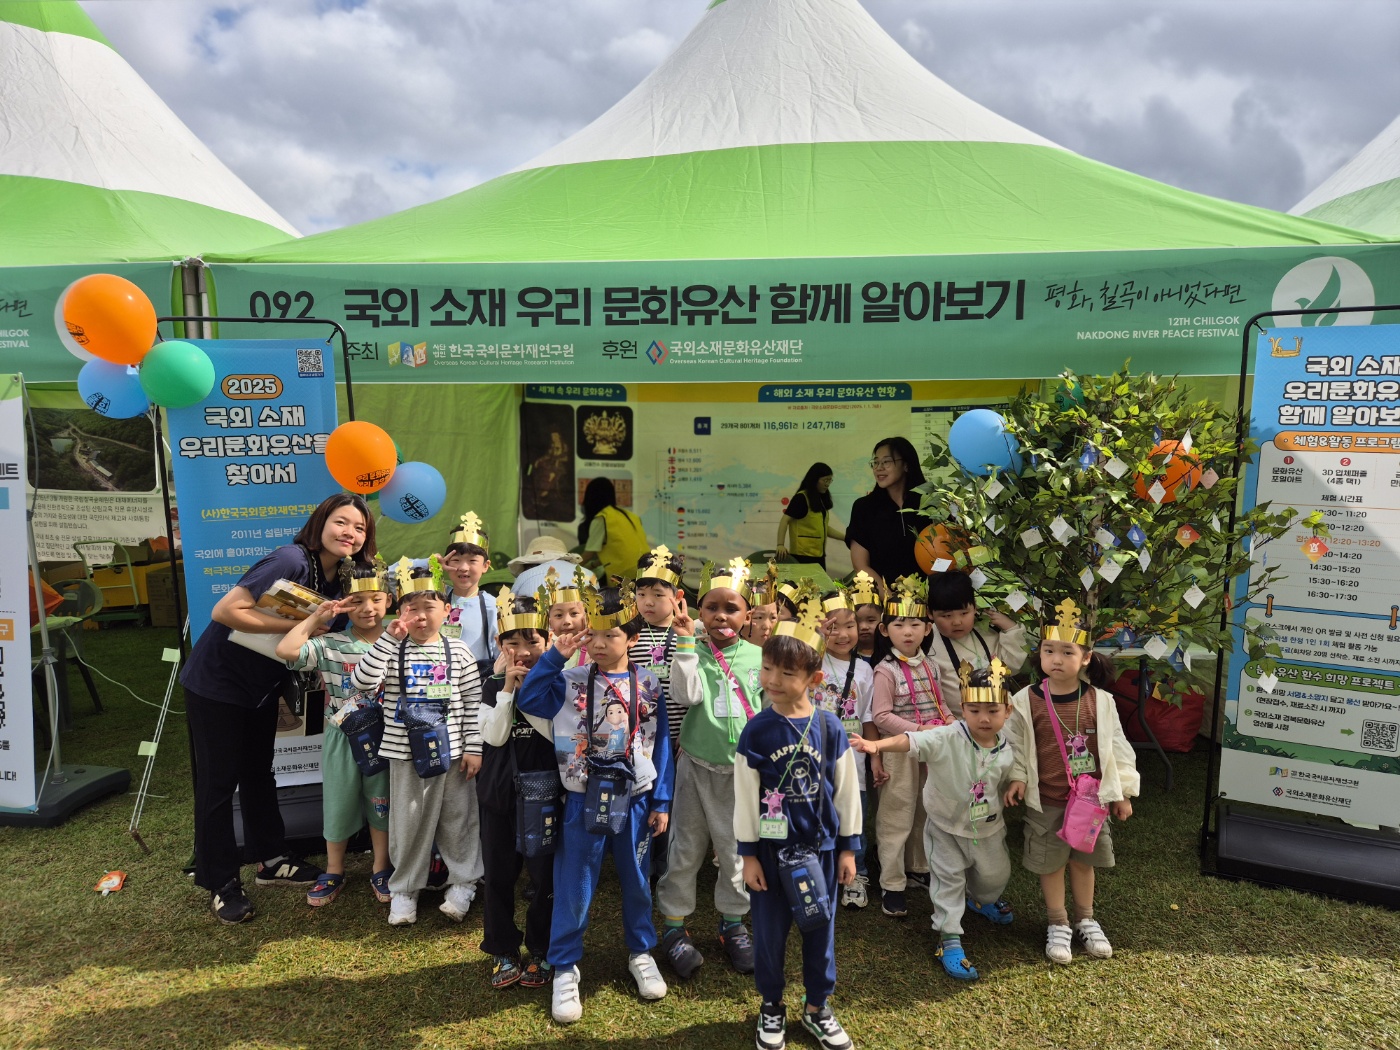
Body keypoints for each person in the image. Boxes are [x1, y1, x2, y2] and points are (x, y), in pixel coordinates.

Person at [180, 493, 376, 924]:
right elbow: (226, 610)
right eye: (342, 522)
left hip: (262, 686)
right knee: (218, 783)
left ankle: (271, 859)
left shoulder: (339, 577)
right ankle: (221, 881)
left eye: (359, 528)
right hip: (218, 683)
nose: (350, 533)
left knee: (257, 772)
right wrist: (299, 624)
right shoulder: (291, 559)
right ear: (321, 521)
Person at [516, 584, 672, 1024]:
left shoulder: (650, 684)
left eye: (612, 635)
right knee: (575, 883)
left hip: (637, 800)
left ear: (633, 638)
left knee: (639, 880)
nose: (601, 644)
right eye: (594, 636)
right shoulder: (567, 681)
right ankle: (565, 965)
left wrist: (661, 800)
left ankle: (641, 952)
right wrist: (555, 657)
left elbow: (659, 746)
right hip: (583, 798)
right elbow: (528, 699)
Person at [735, 585, 860, 1050]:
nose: (772, 679)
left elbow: (846, 790)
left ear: (813, 676)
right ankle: (771, 1006)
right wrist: (748, 855)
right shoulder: (757, 730)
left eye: (787, 672)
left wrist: (848, 847)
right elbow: (745, 796)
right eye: (768, 668)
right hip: (770, 855)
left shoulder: (829, 726)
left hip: (820, 851)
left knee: (819, 930)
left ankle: (817, 1007)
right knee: (769, 936)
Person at [850, 659, 1017, 981]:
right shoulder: (947, 735)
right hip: (944, 828)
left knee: (994, 879)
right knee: (948, 883)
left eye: (993, 711)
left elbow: (1015, 769)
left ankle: (981, 902)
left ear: (1007, 711)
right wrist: (875, 745)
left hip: (988, 828)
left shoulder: (1007, 744)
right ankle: (949, 939)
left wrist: (1017, 783)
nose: (983, 718)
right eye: (974, 710)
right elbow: (910, 741)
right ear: (963, 708)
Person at [1003, 598, 1139, 965]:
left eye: (1067, 651)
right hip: (1047, 799)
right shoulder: (1024, 699)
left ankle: (1085, 918)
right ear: (1040, 654)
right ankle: (1057, 922)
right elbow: (1015, 745)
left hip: (1091, 802)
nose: (1057, 659)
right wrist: (1016, 777)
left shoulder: (1101, 700)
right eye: (1049, 651)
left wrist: (1124, 791)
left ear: (1086, 657)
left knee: (1083, 861)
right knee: (1051, 863)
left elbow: (1117, 747)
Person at [349, 558, 483, 927]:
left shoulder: (460, 652)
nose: (421, 617)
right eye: (412, 608)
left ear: (447, 610)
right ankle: (405, 887)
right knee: (408, 820)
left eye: (429, 607)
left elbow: (473, 703)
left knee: (459, 818)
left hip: (454, 752)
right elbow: (362, 683)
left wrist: (474, 747)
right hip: (406, 753)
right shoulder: (391, 647)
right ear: (399, 609)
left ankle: (464, 882)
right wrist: (389, 640)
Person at [656, 558, 763, 980]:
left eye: (731, 608)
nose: (721, 616)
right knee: (685, 850)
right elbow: (687, 696)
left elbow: (771, 709)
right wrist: (685, 644)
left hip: (743, 773)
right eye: (711, 607)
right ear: (699, 613)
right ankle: (674, 927)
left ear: (747, 615)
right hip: (697, 769)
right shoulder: (691, 650)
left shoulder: (758, 656)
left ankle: (733, 925)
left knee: (737, 853)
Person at [274, 557, 393, 908]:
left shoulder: (400, 642)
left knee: (381, 801)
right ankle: (334, 868)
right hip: (342, 735)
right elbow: (286, 650)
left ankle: (381, 867)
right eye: (356, 600)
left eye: (376, 598)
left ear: (389, 599)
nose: (367, 608)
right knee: (338, 801)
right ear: (343, 602)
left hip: (387, 738)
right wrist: (316, 617)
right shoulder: (330, 643)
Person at [476, 592, 556, 991]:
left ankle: (542, 949)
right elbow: (492, 735)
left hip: (544, 794)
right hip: (498, 793)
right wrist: (508, 689)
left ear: (549, 640)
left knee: (544, 877)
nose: (522, 652)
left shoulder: (557, 682)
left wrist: (532, 691)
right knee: (499, 872)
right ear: (498, 643)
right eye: (513, 643)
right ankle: (503, 948)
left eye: (532, 642)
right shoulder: (490, 683)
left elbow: (557, 734)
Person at [871, 575, 950, 919]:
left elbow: (941, 703)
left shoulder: (931, 664)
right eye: (899, 624)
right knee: (896, 814)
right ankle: (891, 882)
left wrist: (950, 724)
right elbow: (882, 715)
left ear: (927, 629)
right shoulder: (885, 670)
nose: (908, 631)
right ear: (885, 631)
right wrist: (919, 731)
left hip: (932, 748)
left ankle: (917, 865)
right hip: (901, 750)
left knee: (925, 808)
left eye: (915, 624)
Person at [812, 588, 882, 910]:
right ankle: (817, 870)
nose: (842, 634)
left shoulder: (866, 670)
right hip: (812, 756)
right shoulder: (811, 660)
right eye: (832, 626)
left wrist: (875, 757)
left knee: (854, 814)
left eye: (849, 625)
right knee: (815, 812)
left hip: (852, 759)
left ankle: (857, 873)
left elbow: (868, 717)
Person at [631, 545, 684, 882]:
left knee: (671, 803)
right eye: (641, 593)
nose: (648, 602)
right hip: (637, 738)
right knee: (642, 799)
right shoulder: (630, 635)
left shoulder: (687, 635)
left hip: (678, 739)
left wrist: (686, 734)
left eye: (658, 594)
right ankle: (639, 860)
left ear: (676, 595)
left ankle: (665, 863)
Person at [926, 572, 1028, 715]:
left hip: (1001, 718)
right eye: (946, 616)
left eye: (964, 613)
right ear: (930, 613)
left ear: (975, 607)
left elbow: (1011, 666)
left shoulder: (986, 632)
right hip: (959, 724)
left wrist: (1011, 629)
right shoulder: (927, 643)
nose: (957, 622)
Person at [845, 437, 931, 593]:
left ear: (906, 465)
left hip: (931, 601)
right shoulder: (864, 508)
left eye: (886, 462)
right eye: (876, 462)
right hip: (885, 603)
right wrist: (890, 600)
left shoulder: (931, 503)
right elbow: (860, 565)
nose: (879, 468)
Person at [441, 511, 498, 668]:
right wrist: (431, 563)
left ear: (485, 566)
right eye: (456, 560)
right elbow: (389, 578)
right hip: (438, 684)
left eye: (472, 561)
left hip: (477, 686)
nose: (463, 568)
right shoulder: (435, 599)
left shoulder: (493, 606)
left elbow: (501, 655)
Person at [775, 462, 845, 569]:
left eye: (830, 480)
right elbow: (785, 520)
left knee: (820, 586)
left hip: (819, 556)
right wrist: (780, 545)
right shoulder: (801, 498)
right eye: (825, 480)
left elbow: (823, 528)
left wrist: (846, 538)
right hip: (802, 556)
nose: (827, 484)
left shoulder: (820, 499)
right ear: (814, 479)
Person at [578, 476, 650, 582]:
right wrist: (593, 564)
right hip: (647, 571)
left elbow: (589, 554)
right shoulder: (631, 516)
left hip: (625, 579)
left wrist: (569, 567)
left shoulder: (602, 518)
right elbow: (620, 552)